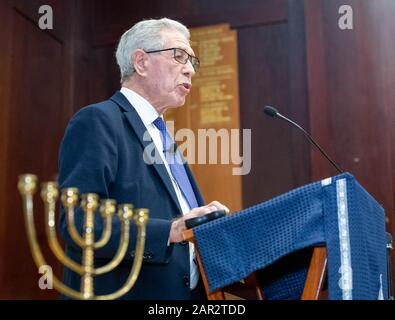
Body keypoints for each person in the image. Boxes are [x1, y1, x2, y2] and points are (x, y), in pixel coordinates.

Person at [58, 18, 229, 300]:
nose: (189, 69)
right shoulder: (98, 121)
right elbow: (78, 222)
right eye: (179, 56)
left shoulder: (165, 138)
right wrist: (170, 231)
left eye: (192, 62)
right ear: (141, 62)